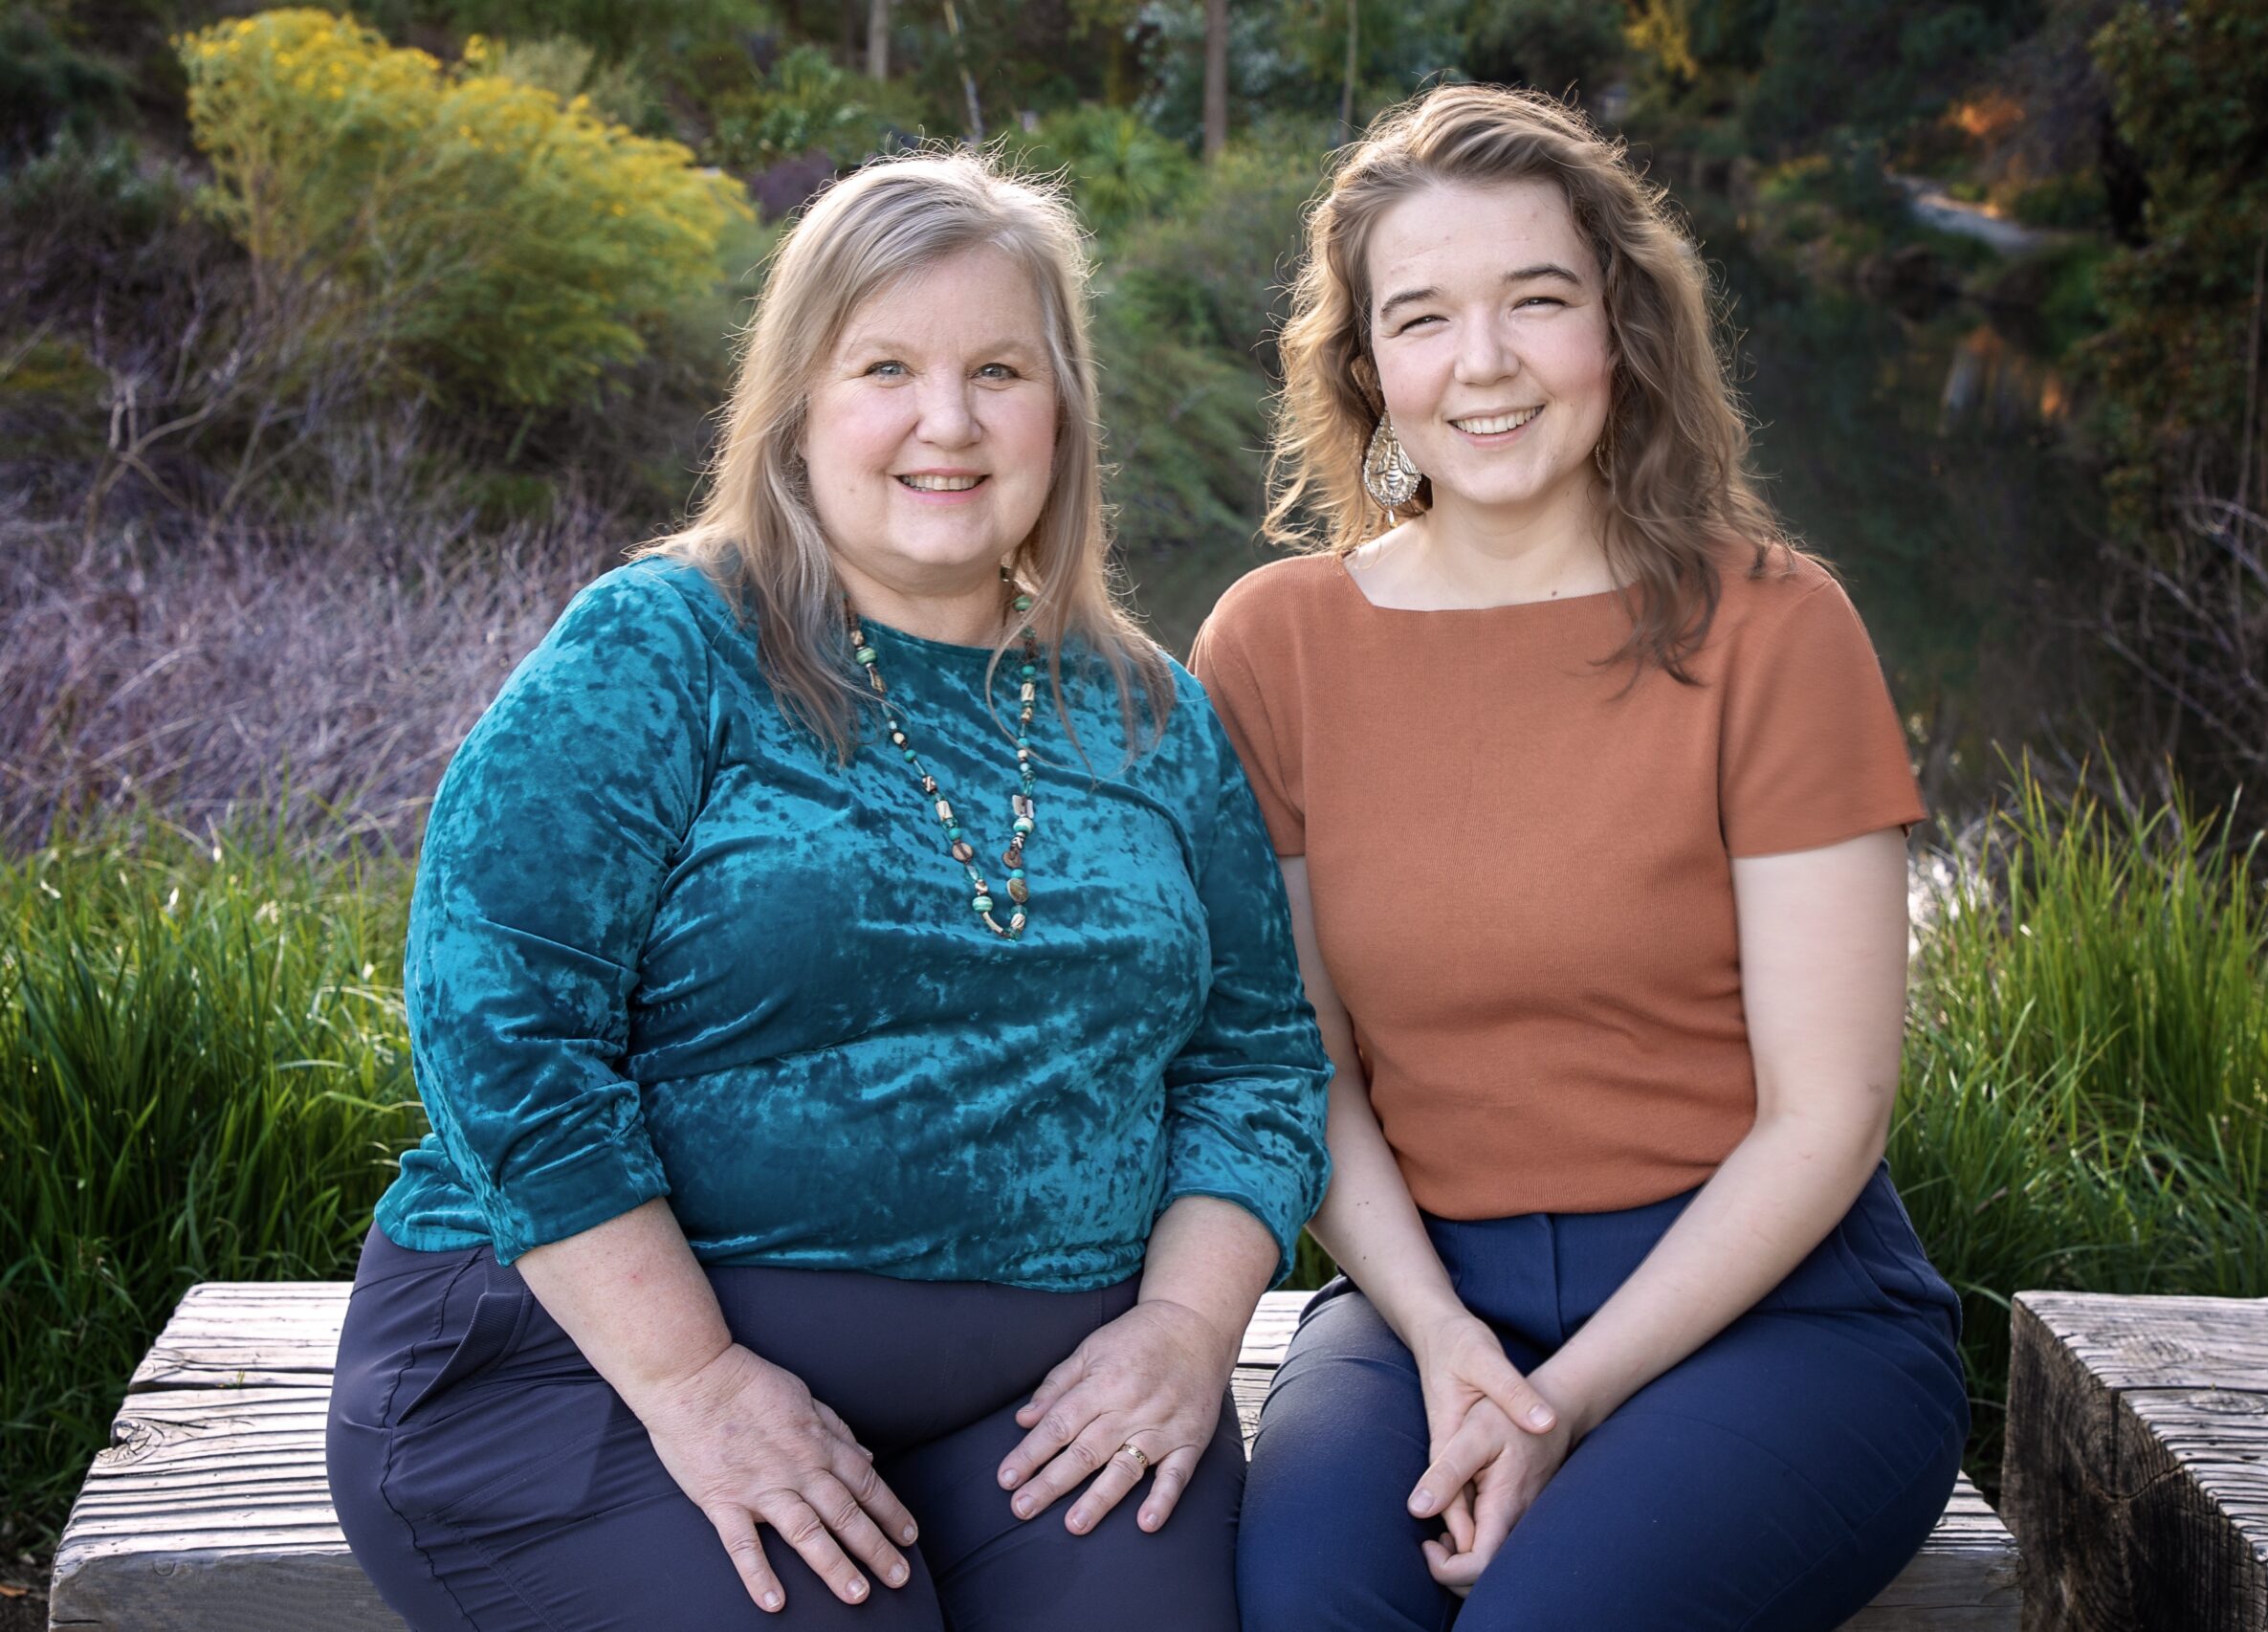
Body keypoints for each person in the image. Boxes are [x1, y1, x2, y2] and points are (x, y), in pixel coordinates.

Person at [324, 149, 1331, 1632]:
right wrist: (695, 1378)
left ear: (1063, 410)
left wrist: (1184, 1329)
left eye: (1000, 368)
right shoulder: (662, 648)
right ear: (799, 406)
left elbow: (1257, 1061)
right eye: (887, 367)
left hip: (1041, 1410)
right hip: (598, 1370)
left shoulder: (1151, 715)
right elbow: (501, 1025)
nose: (949, 420)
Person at [1192, 86, 1969, 1630]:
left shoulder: (1772, 627)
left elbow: (1832, 1112)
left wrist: (1565, 1403)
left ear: (1620, 323)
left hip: (1775, 1311)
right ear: (1368, 372)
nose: (1482, 363)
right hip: (1427, 1297)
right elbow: (1306, 1074)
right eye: (1422, 319)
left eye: (1535, 301)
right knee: (1305, 1610)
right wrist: (1441, 1340)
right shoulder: (1273, 646)